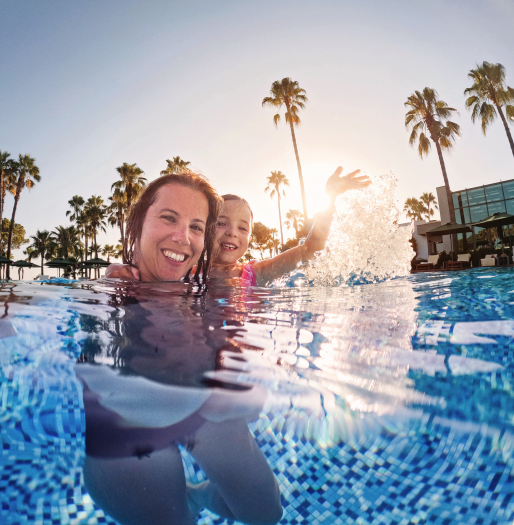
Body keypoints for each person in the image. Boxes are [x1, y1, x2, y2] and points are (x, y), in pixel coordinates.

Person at [77, 172, 283, 525]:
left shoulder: (200, 289)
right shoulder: (117, 284)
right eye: (168, 218)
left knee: (265, 512)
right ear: (139, 222)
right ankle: (187, 499)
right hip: (128, 432)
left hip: (203, 409)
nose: (182, 237)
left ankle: (198, 493)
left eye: (197, 227)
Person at [106, 166, 370, 285]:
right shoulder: (184, 270)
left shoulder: (254, 273)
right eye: (222, 223)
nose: (233, 231)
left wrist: (330, 198)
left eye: (243, 228)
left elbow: (310, 248)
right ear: (207, 230)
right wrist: (123, 273)